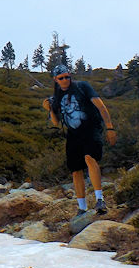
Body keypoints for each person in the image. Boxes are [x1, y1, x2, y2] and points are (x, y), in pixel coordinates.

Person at [43, 64, 117, 217]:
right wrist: (49, 109)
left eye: (67, 76)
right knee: (76, 170)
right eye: (61, 78)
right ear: (56, 79)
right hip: (73, 134)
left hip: (91, 128)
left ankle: (100, 199)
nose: (65, 80)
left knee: (90, 158)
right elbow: (56, 122)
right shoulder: (57, 97)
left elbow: (101, 107)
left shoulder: (82, 87)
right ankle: (82, 207)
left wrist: (110, 128)